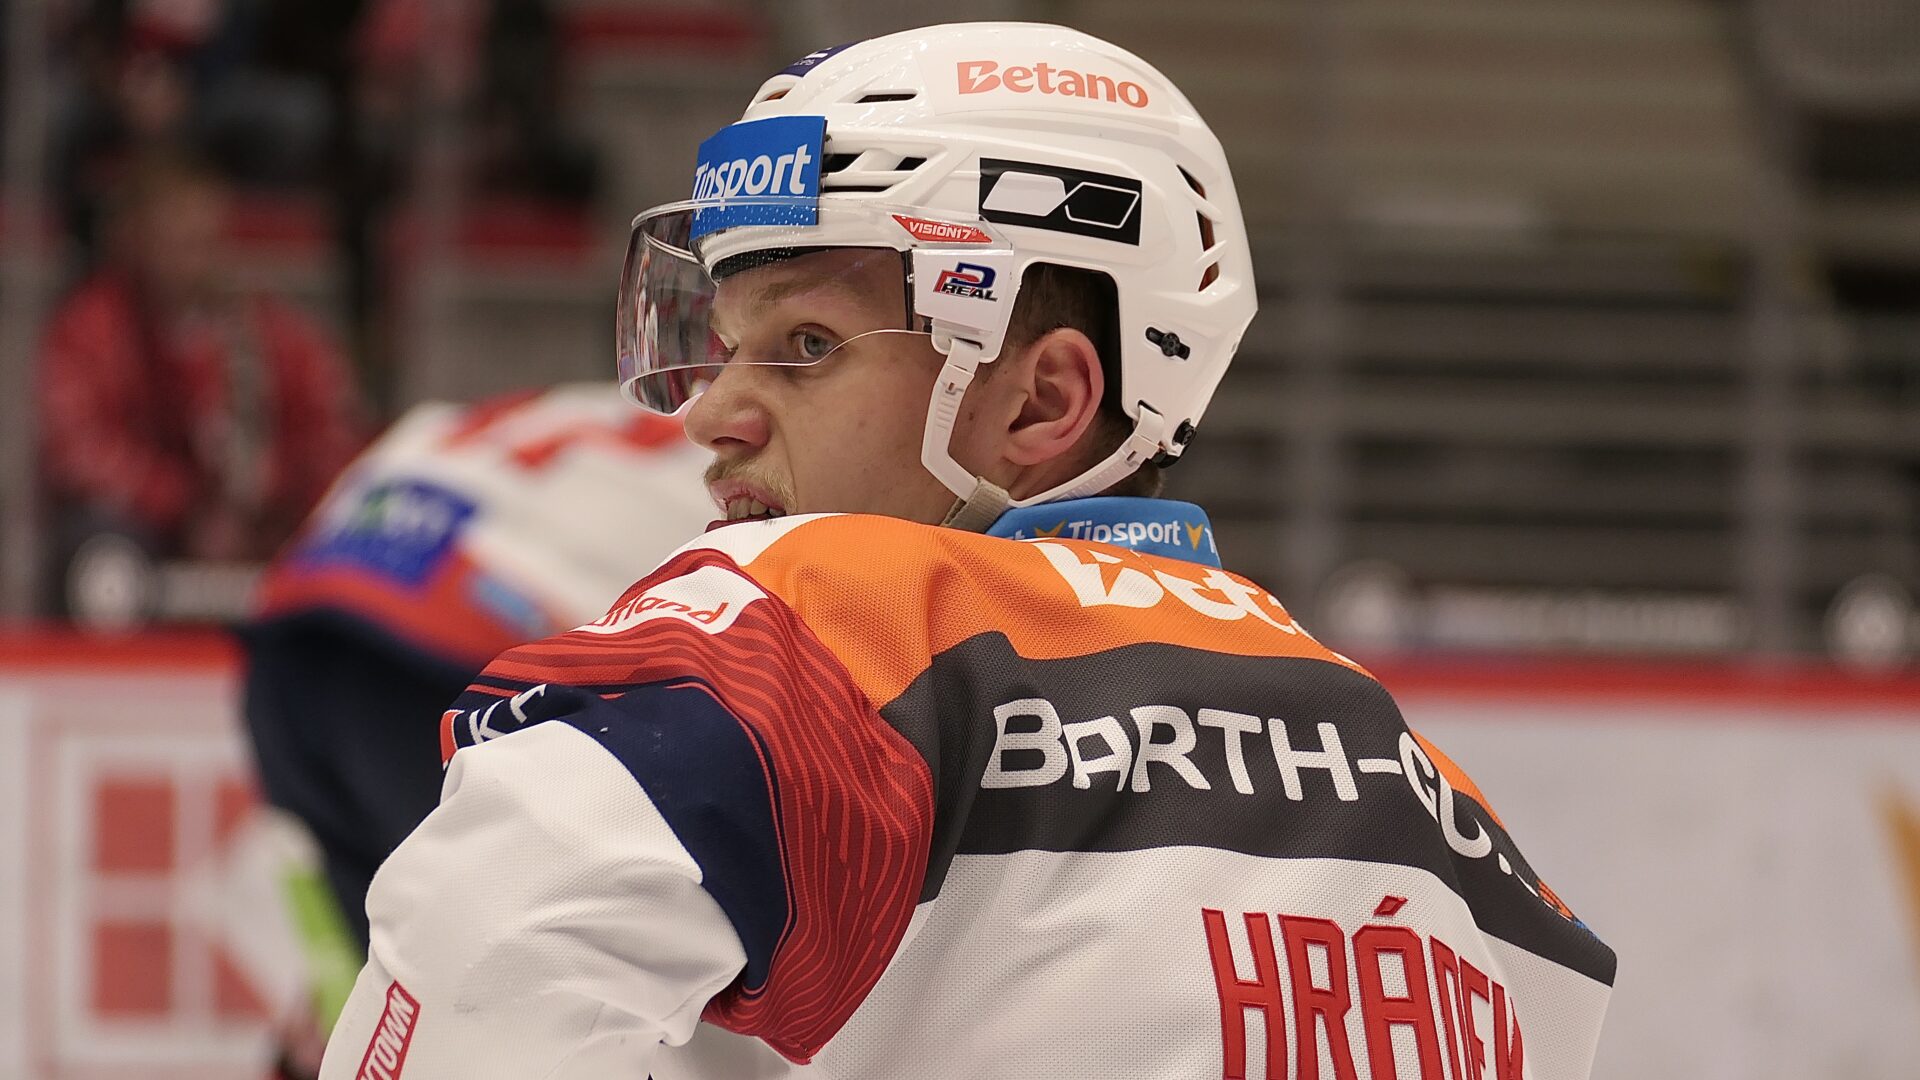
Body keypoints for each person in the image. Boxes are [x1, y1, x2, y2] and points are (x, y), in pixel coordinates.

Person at [321, 23, 1616, 1079]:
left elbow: (484, 954)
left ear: (1042, 402)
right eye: (722, 349)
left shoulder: (829, 618)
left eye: (806, 347)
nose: (713, 415)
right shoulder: (1440, 815)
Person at [241, 383, 712, 1078]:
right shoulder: (760, 457)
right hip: (445, 655)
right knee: (508, 1008)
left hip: (289, 639)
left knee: (379, 995)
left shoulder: (589, 406)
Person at [36, 154, 363, 584]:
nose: (195, 260)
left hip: (261, 519)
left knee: (348, 535)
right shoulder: (89, 328)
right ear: (134, 241)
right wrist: (183, 503)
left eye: (206, 241)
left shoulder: (269, 330)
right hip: (141, 529)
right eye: (177, 242)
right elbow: (76, 451)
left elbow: (333, 431)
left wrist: (275, 488)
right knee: (100, 549)